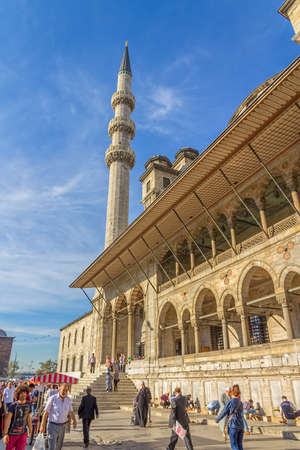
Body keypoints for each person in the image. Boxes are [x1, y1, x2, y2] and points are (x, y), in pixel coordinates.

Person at [40, 384, 77, 450]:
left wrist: (74, 421)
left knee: (59, 446)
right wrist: (42, 425)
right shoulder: (52, 398)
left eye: (66, 390)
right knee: (52, 446)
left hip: (63, 426)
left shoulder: (68, 400)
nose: (64, 392)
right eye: (63, 390)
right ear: (59, 390)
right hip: (52, 426)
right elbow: (46, 412)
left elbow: (71, 411)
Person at [3, 384, 32, 450]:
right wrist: (5, 434)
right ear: (18, 394)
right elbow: (8, 420)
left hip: (23, 433)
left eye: (25, 392)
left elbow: (29, 418)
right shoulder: (13, 405)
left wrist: (30, 430)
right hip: (12, 433)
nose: (24, 394)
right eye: (21, 393)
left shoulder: (28, 404)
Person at [216, 384, 244, 450]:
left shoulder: (230, 402)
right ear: (239, 393)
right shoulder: (240, 402)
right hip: (241, 425)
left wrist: (217, 419)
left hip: (233, 426)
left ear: (232, 392)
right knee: (240, 445)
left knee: (234, 445)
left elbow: (224, 412)